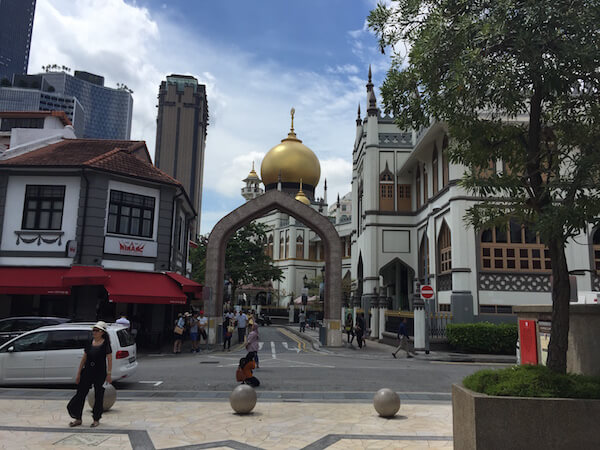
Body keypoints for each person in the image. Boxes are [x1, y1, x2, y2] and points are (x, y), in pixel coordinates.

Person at [67, 321, 112, 428]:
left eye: (97, 330)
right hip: (87, 371)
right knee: (80, 394)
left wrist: (109, 374)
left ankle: (96, 418)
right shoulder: (89, 342)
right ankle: (78, 418)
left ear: (102, 332)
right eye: (93, 330)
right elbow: (84, 358)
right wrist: (78, 373)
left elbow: (109, 359)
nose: (94, 332)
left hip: (100, 372)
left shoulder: (106, 344)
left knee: (98, 395)